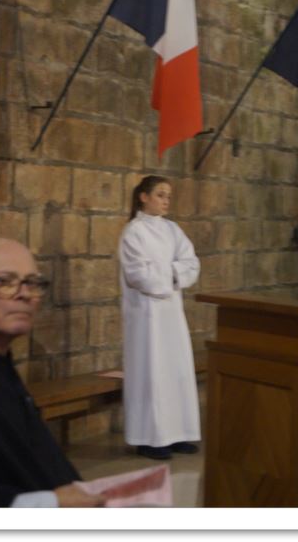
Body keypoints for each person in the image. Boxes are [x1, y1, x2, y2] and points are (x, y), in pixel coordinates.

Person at [0, 237, 105, 508]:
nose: (25, 294)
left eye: (31, 282)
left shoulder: (0, 365)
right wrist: (51, 503)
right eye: (4, 281)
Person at [118, 175, 201, 460]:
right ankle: (149, 439)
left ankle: (177, 433)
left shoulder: (172, 229)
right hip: (146, 316)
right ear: (144, 197)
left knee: (176, 371)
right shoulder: (133, 232)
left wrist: (170, 271)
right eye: (160, 195)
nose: (166, 201)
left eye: (168, 196)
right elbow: (139, 274)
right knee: (151, 373)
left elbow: (191, 263)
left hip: (172, 314)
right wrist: (173, 272)